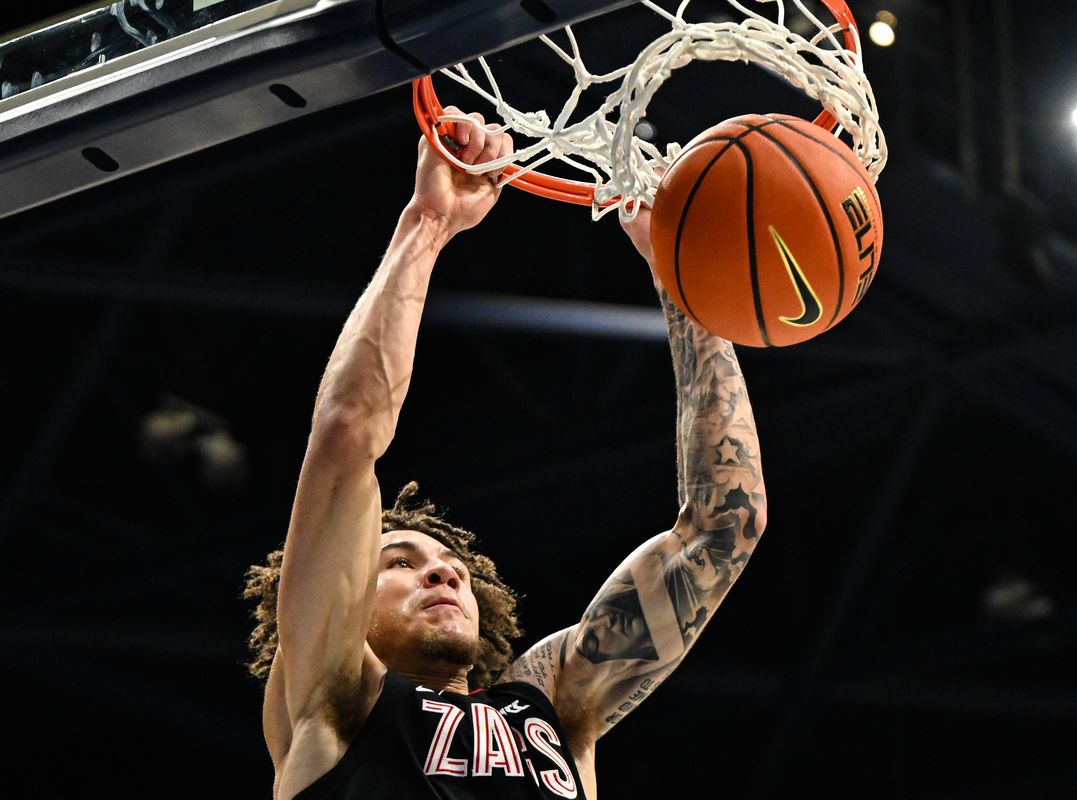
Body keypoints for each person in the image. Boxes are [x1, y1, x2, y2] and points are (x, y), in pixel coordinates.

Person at [243, 108, 767, 800]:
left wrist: (678, 282)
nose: (443, 578)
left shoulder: (551, 706)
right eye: (399, 562)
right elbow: (346, 432)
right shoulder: (332, 697)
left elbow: (726, 525)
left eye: (451, 567)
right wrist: (427, 225)